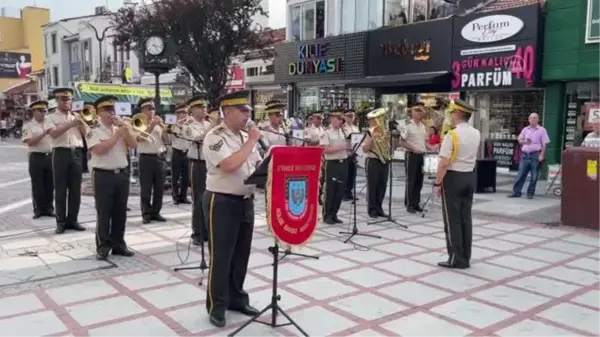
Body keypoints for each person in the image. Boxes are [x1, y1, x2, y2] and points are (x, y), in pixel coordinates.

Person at [203, 90, 261, 328]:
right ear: (227, 111)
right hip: (222, 201)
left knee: (241, 255)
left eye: (248, 110)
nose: (247, 114)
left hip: (245, 200)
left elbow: (255, 163)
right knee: (222, 256)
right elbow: (229, 165)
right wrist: (251, 141)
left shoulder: (244, 136)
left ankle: (237, 298)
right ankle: (216, 305)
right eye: (242, 110)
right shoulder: (215, 137)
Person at [87, 95, 137, 260]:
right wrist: (116, 136)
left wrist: (126, 130)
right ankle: (103, 245)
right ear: (99, 112)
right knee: (104, 212)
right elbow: (99, 149)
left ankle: (118, 244)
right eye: (107, 109)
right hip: (102, 175)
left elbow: (134, 144)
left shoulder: (121, 126)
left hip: (121, 173)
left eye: (113, 109)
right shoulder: (93, 129)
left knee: (120, 211)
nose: (111, 112)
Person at [433, 99, 480, 269]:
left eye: (452, 112)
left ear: (458, 114)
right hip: (469, 176)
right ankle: (466, 256)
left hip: (453, 178)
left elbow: (444, 163)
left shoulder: (452, 135)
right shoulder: (476, 133)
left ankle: (456, 258)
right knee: (465, 218)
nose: (451, 115)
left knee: (452, 220)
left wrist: (437, 183)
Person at [46, 88, 88, 234]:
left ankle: (73, 220)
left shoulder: (77, 116)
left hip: (77, 152)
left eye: (69, 99)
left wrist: (82, 123)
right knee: (60, 189)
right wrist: (70, 124)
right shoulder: (50, 117)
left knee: (76, 189)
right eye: (63, 99)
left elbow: (88, 134)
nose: (67, 102)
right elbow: (54, 134)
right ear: (57, 101)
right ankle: (61, 222)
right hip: (61, 152)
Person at [184, 97, 216, 246]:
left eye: (204, 107)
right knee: (198, 198)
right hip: (196, 163)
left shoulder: (209, 123)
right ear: (192, 109)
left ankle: (207, 230)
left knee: (209, 198)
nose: (203, 110)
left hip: (210, 163)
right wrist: (213, 127)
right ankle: (197, 232)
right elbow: (196, 138)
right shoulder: (188, 124)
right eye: (199, 107)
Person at [136, 97, 169, 223]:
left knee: (159, 187)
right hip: (146, 158)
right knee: (146, 188)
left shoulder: (158, 123)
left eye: (153, 109)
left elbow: (167, 141)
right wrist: (151, 126)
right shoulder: (138, 122)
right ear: (143, 110)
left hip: (160, 157)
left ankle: (156, 212)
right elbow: (139, 138)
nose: (152, 111)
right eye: (149, 109)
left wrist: (165, 129)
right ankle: (146, 213)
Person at [401, 103, 436, 213]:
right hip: (411, 155)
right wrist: (413, 148)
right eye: (417, 110)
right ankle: (409, 204)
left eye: (421, 110)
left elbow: (425, 142)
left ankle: (416, 202)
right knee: (411, 180)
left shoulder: (423, 126)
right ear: (412, 112)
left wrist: (433, 148)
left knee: (419, 181)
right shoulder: (407, 125)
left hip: (421, 155)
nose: (419, 112)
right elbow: (401, 141)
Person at [22, 100, 54, 219]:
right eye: (40, 111)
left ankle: (49, 208)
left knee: (50, 185)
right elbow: (30, 142)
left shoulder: (51, 123)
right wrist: (44, 133)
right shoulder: (28, 125)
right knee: (38, 185)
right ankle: (38, 210)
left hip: (50, 156)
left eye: (45, 111)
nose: (43, 113)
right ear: (34, 111)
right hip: (36, 157)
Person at [508, 113, 550, 199]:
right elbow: (519, 140)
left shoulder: (542, 130)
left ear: (538, 120)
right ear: (528, 119)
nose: (532, 119)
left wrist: (541, 155)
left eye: (534, 118)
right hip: (525, 155)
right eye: (531, 118)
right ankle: (516, 192)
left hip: (535, 155)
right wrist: (524, 142)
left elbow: (545, 144)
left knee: (534, 176)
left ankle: (530, 193)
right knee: (520, 175)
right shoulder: (525, 129)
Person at [320, 109, 349, 224]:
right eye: (338, 119)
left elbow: (348, 145)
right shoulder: (326, 133)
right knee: (330, 190)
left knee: (340, 190)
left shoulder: (344, 132)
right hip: (332, 164)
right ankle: (327, 214)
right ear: (332, 119)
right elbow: (324, 149)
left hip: (343, 162)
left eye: (341, 119)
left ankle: (334, 214)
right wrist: (341, 148)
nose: (340, 121)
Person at [363, 108, 390, 218]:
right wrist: (372, 138)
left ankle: (379, 208)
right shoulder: (371, 132)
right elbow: (365, 149)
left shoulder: (385, 132)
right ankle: (372, 209)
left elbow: (390, 147)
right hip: (373, 160)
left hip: (384, 161)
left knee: (382, 186)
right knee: (373, 186)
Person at [169, 104, 191, 205]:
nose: (182, 115)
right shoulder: (171, 124)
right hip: (177, 151)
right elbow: (172, 133)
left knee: (186, 176)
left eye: (184, 113)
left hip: (187, 152)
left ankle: (184, 196)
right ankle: (175, 196)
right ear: (176, 114)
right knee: (175, 176)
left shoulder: (190, 124)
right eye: (180, 113)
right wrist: (179, 124)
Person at [342, 109, 360, 201]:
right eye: (348, 116)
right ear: (344, 117)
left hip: (354, 152)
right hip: (346, 153)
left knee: (353, 174)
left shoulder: (355, 127)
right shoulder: (342, 128)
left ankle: (350, 191)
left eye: (352, 116)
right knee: (346, 174)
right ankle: (344, 193)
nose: (350, 118)